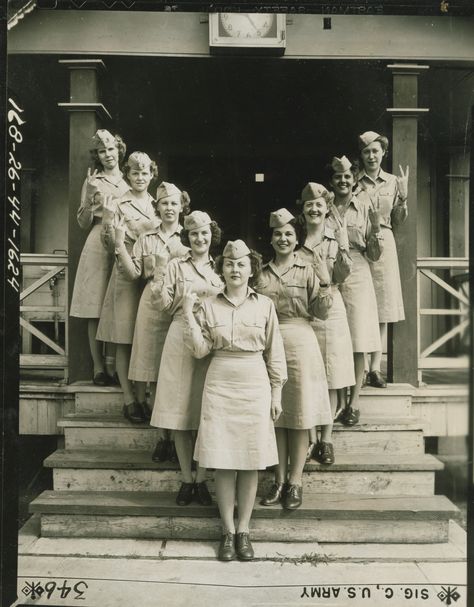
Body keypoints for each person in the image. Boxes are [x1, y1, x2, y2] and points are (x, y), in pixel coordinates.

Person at [183, 240, 287, 561]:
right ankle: (227, 531)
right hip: (220, 384)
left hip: (254, 384)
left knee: (251, 461)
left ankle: (244, 530)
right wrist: (188, 312)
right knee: (225, 461)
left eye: (241, 264)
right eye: (229, 264)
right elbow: (200, 350)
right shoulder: (209, 305)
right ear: (222, 268)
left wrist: (277, 392)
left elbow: (275, 351)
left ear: (251, 268)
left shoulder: (265, 305)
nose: (235, 269)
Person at [254, 209, 332, 509]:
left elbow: (321, 313)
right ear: (271, 239)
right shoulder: (260, 273)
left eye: (288, 233)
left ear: (296, 238)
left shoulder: (309, 269)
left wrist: (325, 284)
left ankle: (296, 482)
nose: (283, 238)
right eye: (278, 234)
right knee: (277, 417)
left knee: (299, 418)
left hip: (301, 343)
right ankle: (279, 480)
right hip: (269, 347)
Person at [150, 211, 223, 507]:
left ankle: (202, 478)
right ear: (187, 237)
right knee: (180, 413)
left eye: (204, 233)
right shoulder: (176, 266)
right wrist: (158, 275)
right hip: (180, 338)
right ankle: (185, 478)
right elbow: (164, 306)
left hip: (210, 342)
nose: (199, 238)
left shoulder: (222, 266)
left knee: (205, 412)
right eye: (193, 234)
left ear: (211, 235)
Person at [114, 183, 190, 456]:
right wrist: (120, 243)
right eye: (164, 203)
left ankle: (176, 434)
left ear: (182, 206)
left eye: (174, 203)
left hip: (179, 307)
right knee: (155, 374)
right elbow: (134, 273)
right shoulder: (146, 239)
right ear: (156, 207)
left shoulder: (189, 237)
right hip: (151, 304)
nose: (169, 208)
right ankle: (163, 439)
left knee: (174, 373)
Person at [96, 152, 159, 422]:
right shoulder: (119, 204)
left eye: (145, 173)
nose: (140, 178)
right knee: (124, 339)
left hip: (149, 275)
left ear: (152, 175)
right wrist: (108, 220)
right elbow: (108, 245)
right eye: (135, 173)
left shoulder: (158, 204)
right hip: (125, 273)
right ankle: (129, 398)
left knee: (144, 337)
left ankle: (144, 396)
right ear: (128, 174)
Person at [296, 183, 355, 463]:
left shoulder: (335, 238)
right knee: (308, 377)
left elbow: (343, 275)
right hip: (305, 312)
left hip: (331, 310)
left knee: (332, 377)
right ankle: (310, 438)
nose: (314, 209)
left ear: (326, 208)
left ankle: (327, 439)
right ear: (303, 209)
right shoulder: (295, 241)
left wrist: (343, 245)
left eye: (319, 204)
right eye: (309, 205)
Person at [326, 155, 383, 426]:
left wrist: (375, 235)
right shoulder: (324, 209)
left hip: (358, 271)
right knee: (336, 338)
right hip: (331, 272)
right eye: (338, 177)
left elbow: (374, 254)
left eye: (348, 176)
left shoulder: (364, 207)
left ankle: (354, 401)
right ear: (332, 181)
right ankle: (336, 400)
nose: (343, 181)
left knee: (358, 339)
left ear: (354, 179)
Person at [70, 129, 128, 385]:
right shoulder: (93, 179)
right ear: (98, 155)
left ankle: (114, 367)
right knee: (95, 307)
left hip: (122, 242)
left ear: (119, 150)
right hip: (96, 241)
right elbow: (82, 222)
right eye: (102, 151)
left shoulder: (129, 181)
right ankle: (98, 368)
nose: (108, 155)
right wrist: (90, 191)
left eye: (111, 149)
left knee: (116, 303)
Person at [357, 131, 409, 388]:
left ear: (383, 153)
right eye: (366, 152)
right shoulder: (355, 182)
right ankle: (361, 367)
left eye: (375, 151)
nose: (371, 156)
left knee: (382, 307)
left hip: (385, 244)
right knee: (361, 304)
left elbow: (397, 222)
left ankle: (375, 369)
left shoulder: (393, 182)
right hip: (361, 244)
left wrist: (403, 197)